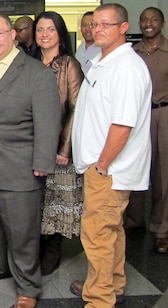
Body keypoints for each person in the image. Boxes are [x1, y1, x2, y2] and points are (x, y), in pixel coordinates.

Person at [0, 14, 61, 308]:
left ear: (13, 35)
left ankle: (28, 286)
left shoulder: (36, 73)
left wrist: (42, 162)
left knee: (22, 233)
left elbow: (48, 121)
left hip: (17, 167)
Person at [69, 4, 152, 307]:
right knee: (110, 231)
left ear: (123, 28)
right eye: (94, 24)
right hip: (102, 167)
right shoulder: (103, 61)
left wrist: (102, 165)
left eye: (106, 24)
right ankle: (110, 284)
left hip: (109, 169)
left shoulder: (126, 67)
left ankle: (99, 298)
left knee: (97, 234)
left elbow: (122, 126)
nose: (98, 29)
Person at [32, 11, 84, 276]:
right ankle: (36, 248)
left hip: (59, 145)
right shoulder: (28, 62)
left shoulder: (69, 64)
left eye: (50, 29)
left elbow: (76, 108)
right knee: (36, 200)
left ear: (59, 33)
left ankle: (53, 250)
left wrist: (64, 148)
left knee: (57, 201)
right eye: (40, 29)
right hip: (31, 144)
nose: (44, 35)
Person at [130, 7, 168, 253]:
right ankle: (133, 221)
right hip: (137, 116)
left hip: (164, 113)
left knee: (163, 175)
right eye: (144, 19)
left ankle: (161, 230)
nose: (148, 23)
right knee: (134, 168)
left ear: (162, 23)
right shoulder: (133, 53)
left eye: (154, 19)